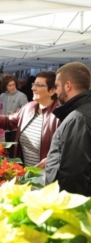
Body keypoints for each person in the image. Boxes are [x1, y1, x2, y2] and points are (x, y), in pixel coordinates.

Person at [0, 71, 60, 168]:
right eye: (34, 84)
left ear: (52, 90)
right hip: (26, 173)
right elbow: (9, 121)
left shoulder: (60, 114)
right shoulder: (28, 108)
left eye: (39, 85)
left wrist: (55, 159)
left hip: (48, 175)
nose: (33, 88)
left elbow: (69, 148)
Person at [45, 62, 91, 196]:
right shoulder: (81, 113)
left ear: (68, 85)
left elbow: (74, 173)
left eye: (58, 86)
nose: (57, 91)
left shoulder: (78, 118)